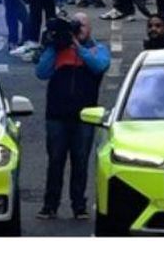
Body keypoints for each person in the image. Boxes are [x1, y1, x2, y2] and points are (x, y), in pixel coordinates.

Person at [34, 12, 110, 220]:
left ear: (90, 28)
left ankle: (79, 206)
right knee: (55, 161)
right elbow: (41, 72)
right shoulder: (58, 49)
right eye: (76, 26)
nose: (80, 30)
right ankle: (50, 205)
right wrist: (53, 45)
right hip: (57, 115)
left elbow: (100, 66)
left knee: (80, 162)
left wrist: (78, 47)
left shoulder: (98, 49)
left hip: (85, 117)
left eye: (83, 25)